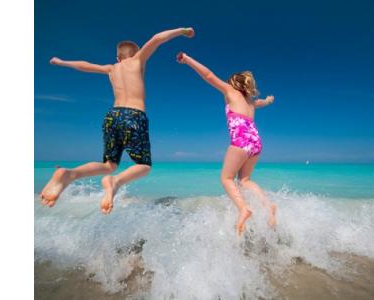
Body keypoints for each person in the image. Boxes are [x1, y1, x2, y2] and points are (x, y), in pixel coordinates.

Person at [40, 27, 195, 214]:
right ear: (136, 53)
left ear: (117, 58)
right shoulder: (138, 60)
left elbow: (84, 65)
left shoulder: (111, 68)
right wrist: (183, 31)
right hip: (134, 116)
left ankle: (69, 174)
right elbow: (156, 39)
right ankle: (115, 181)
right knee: (143, 166)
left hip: (112, 116)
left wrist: (62, 62)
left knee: (109, 165)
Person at [176, 51, 277, 236]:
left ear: (234, 85)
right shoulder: (251, 102)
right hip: (256, 141)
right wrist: (270, 100)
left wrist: (188, 59)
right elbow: (262, 102)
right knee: (244, 180)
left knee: (226, 178)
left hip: (241, 140)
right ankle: (267, 204)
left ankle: (243, 209)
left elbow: (208, 75)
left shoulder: (231, 92)